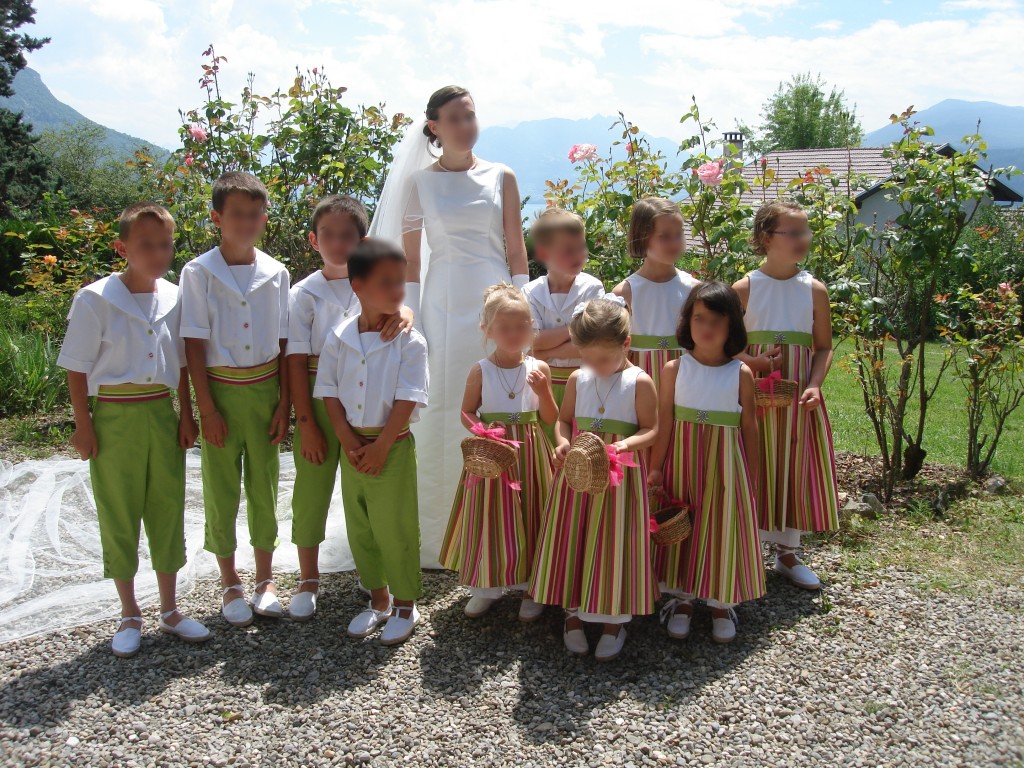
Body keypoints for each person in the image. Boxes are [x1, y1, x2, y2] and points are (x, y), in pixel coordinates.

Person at [369, 85, 530, 567]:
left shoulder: (502, 176)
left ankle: (504, 533)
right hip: (439, 303)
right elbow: (412, 259)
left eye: (471, 115)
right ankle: (437, 531)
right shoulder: (420, 182)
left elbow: (516, 247)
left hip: (494, 301)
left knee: (499, 401)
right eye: (456, 118)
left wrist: (524, 308)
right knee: (441, 406)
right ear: (435, 127)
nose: (466, 125)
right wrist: (409, 312)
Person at [57, 202, 210, 657]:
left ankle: (169, 608)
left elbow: (181, 363)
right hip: (114, 417)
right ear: (122, 247)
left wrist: (188, 413)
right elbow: (78, 369)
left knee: (166, 506)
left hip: (160, 415)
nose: (158, 252)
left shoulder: (175, 295)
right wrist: (83, 425)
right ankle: (129, 613)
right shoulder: (95, 298)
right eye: (146, 244)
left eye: (165, 244)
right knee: (119, 509)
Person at [286, 196, 413, 621]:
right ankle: (307, 578)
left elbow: (395, 305)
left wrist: (406, 312)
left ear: (364, 240)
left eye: (348, 236)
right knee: (313, 488)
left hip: (370, 399)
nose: (338, 244)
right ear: (314, 240)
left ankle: (371, 571)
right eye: (329, 235)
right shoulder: (304, 293)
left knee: (365, 491)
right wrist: (305, 423)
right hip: (322, 396)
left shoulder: (374, 281)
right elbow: (295, 360)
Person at [179, 172, 290, 627]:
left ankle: (265, 578)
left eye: (255, 214)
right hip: (220, 393)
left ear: (264, 217)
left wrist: (285, 404)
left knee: (265, 484)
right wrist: (205, 408)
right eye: (237, 214)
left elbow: (284, 344)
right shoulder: (199, 273)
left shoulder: (276, 273)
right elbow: (193, 345)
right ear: (217, 218)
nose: (247, 222)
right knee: (221, 488)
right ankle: (230, 580)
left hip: (264, 391)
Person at [528, 296, 659, 662]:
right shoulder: (577, 378)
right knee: (575, 535)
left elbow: (653, 428)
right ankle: (573, 610)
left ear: (626, 344)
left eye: (604, 358)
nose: (595, 366)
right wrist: (562, 442)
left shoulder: (640, 381)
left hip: (620, 483)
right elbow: (564, 419)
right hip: (578, 478)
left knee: (615, 541)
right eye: (587, 357)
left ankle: (614, 618)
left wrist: (624, 444)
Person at [313, 238, 429, 646]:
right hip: (353, 446)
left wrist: (380, 446)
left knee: (395, 525)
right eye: (386, 282)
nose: (397, 291)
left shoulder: (410, 340)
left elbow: (408, 396)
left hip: (391, 445)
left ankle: (404, 602)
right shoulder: (339, 336)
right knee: (360, 524)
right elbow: (327, 388)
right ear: (357, 286)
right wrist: (346, 439)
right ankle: (377, 598)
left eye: (401, 282)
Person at [648, 282, 766, 644]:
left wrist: (754, 479)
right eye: (699, 318)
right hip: (681, 464)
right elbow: (664, 422)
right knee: (684, 528)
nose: (707, 327)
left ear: (733, 326)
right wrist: (656, 467)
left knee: (719, 529)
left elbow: (750, 427)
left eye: (717, 319)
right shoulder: (673, 369)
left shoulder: (740, 373)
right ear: (687, 322)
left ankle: (720, 601)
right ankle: (682, 597)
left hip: (724, 469)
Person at [733, 201, 840, 590]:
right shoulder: (744, 288)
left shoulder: (814, 290)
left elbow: (824, 347)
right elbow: (725, 346)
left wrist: (815, 384)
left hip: (797, 396)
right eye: (792, 233)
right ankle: (741, 546)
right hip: (751, 394)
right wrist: (753, 361)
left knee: (793, 464)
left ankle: (787, 553)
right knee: (752, 462)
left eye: (805, 232)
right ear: (766, 238)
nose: (802, 240)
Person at [440, 284, 557, 622]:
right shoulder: (480, 370)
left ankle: (531, 587)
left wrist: (544, 392)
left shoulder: (540, 369)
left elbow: (550, 419)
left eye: (522, 326)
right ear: (487, 331)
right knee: (490, 517)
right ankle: (487, 588)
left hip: (532, 455)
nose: (514, 333)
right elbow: (466, 411)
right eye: (505, 328)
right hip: (492, 457)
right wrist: (482, 432)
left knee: (532, 513)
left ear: (532, 326)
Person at [523, 208, 605, 443]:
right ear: (543, 252)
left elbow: (592, 343)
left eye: (581, 247)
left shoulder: (592, 288)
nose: (579, 254)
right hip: (541, 387)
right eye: (569, 250)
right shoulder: (530, 292)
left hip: (585, 385)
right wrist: (574, 330)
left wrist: (547, 349)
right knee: (546, 447)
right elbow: (531, 342)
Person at [613, 197, 699, 394]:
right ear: (642, 238)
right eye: (665, 236)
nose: (674, 242)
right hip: (639, 384)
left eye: (679, 234)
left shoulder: (693, 289)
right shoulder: (625, 293)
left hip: (685, 381)